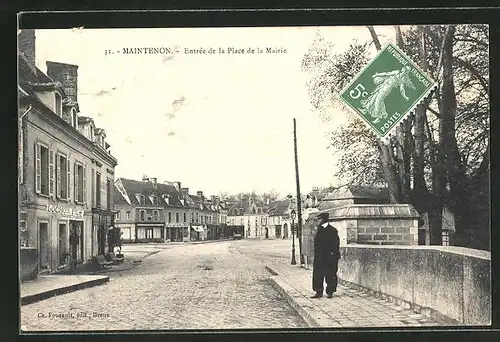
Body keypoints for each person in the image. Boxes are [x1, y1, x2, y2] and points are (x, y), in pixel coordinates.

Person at [311, 212, 341, 299]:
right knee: (317, 275)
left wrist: (333, 255)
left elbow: (336, 244)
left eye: (318, 219)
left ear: (323, 220)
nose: (317, 221)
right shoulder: (318, 230)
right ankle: (318, 291)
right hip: (319, 257)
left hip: (329, 257)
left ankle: (330, 292)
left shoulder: (332, 230)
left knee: (330, 274)